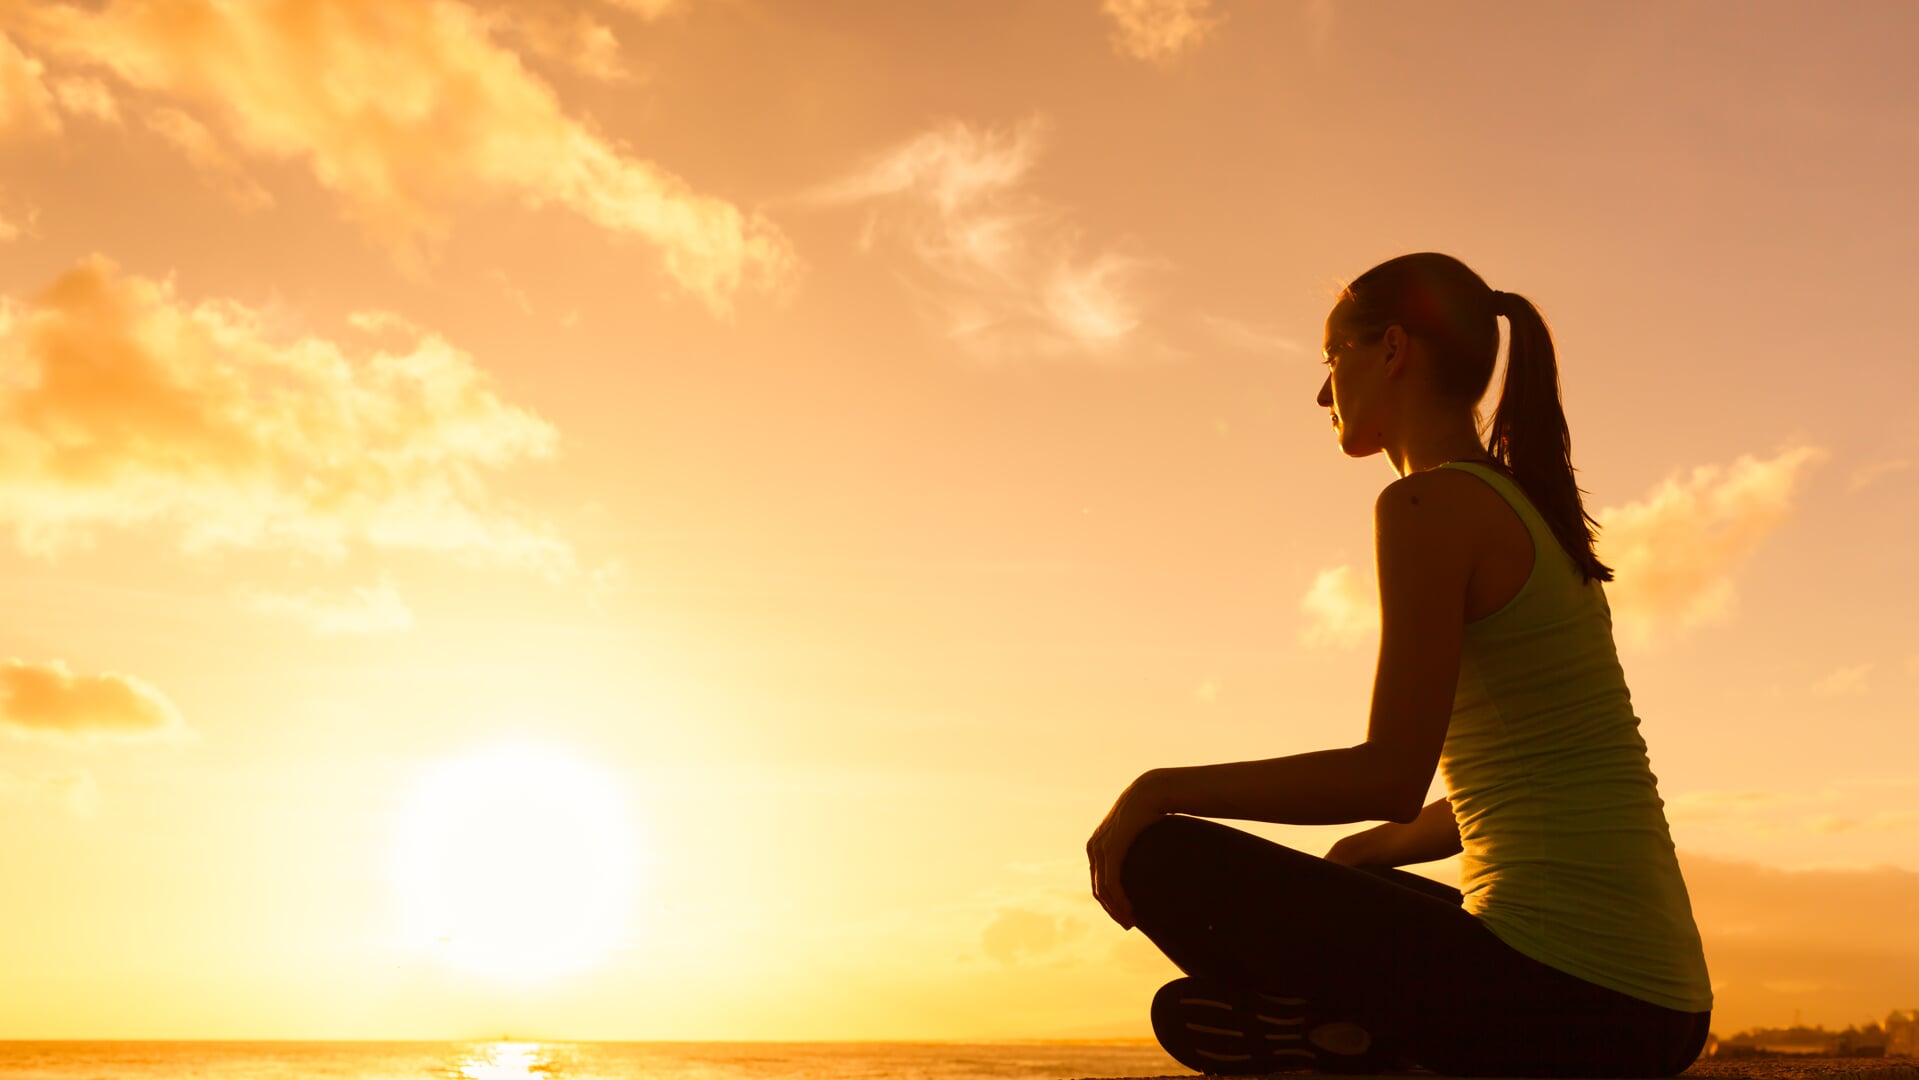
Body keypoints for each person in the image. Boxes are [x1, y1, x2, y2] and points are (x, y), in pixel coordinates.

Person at [1085, 252, 1713, 1077]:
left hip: (1575, 1005)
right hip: (1660, 1008)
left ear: (1390, 349)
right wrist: (1365, 855)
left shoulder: (1427, 506)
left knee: (1154, 852)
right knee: (1359, 890)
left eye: (1329, 359)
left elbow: (1387, 775)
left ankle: (1366, 1045)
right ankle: (1355, 1038)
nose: (1321, 393)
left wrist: (1153, 789)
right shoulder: (1528, 511)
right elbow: (1519, 783)